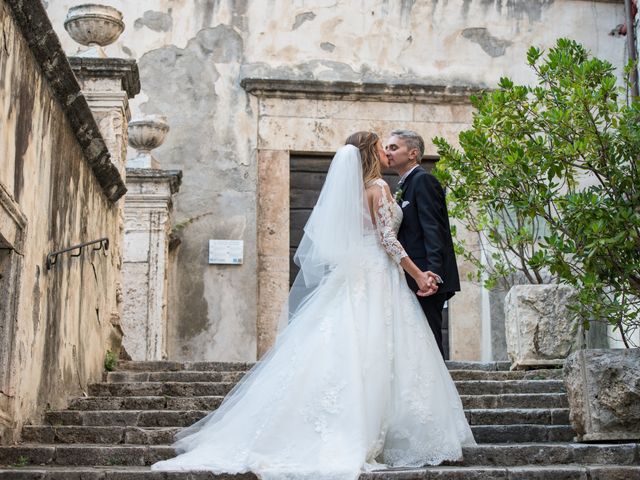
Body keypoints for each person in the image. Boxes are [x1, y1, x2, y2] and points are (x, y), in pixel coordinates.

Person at [151, 131, 475, 480]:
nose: (387, 152)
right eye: (383, 147)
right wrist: (418, 272)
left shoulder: (354, 192)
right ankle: (371, 429)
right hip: (379, 274)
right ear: (370, 153)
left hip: (357, 275)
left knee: (346, 346)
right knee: (377, 349)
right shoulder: (379, 188)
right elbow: (387, 241)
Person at [386, 130, 461, 359]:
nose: (387, 152)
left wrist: (433, 276)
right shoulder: (404, 186)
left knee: (429, 342)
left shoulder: (423, 181)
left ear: (413, 153)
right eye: (387, 148)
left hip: (426, 279)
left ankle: (440, 393)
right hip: (412, 277)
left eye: (393, 147)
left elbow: (433, 230)